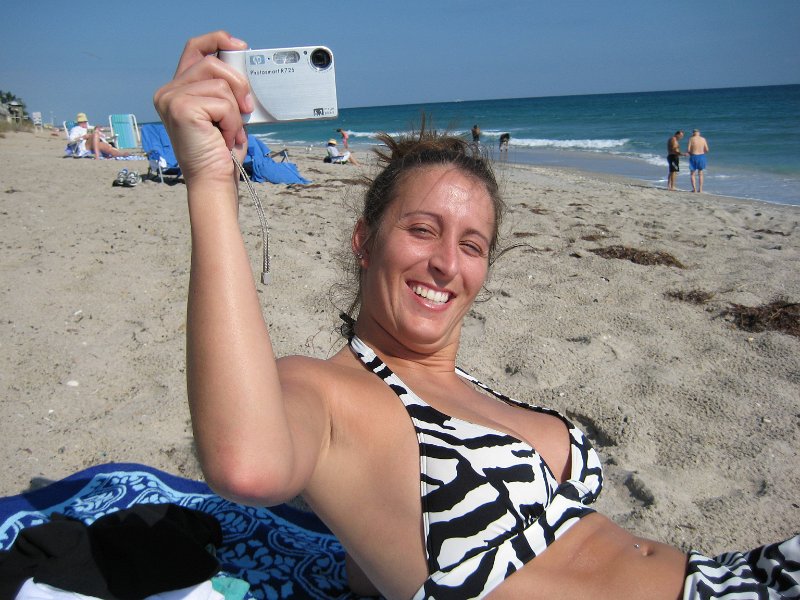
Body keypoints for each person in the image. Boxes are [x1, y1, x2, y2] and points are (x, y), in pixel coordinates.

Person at [154, 31, 799, 600]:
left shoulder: (466, 389)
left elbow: (379, 544)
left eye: (471, 245)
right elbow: (246, 464)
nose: (445, 264)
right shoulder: (324, 391)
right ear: (364, 241)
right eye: (421, 230)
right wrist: (210, 181)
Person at [68, 113, 134, 160]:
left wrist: (100, 133)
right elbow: (71, 140)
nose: (84, 123)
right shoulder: (75, 129)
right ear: (78, 123)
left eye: (85, 122)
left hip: (95, 144)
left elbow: (103, 136)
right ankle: (97, 156)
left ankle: (121, 154)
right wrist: (83, 137)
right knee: (95, 134)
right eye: (81, 122)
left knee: (105, 146)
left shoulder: (90, 127)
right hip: (85, 146)